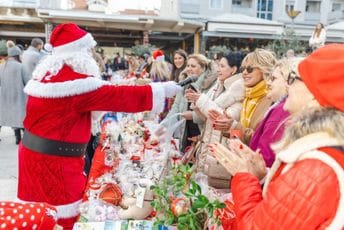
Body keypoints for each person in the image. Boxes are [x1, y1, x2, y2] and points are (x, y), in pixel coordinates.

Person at [17, 23, 180, 229]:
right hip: (56, 163)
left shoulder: (47, 75)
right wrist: (162, 90)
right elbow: (118, 96)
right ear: (77, 52)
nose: (90, 55)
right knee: (61, 212)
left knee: (38, 211)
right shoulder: (76, 84)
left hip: (32, 155)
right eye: (87, 50)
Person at [210, 44, 344, 229]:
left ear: (316, 94)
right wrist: (263, 178)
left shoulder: (317, 165)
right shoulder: (321, 153)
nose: (288, 86)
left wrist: (244, 177)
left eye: (293, 79)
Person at [185, 52, 245, 189]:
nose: (218, 69)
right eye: (218, 65)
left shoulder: (239, 91)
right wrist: (196, 104)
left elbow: (222, 118)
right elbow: (206, 119)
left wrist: (200, 100)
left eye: (222, 66)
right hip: (208, 148)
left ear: (234, 70)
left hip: (221, 153)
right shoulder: (217, 86)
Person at [165, 54, 217, 152]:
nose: (189, 69)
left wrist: (193, 115)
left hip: (202, 133)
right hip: (185, 131)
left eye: (193, 66)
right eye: (188, 66)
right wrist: (164, 127)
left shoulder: (211, 85)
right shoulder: (185, 82)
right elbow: (176, 106)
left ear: (203, 68)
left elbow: (212, 112)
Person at [248, 59, 291, 167]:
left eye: (274, 78)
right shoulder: (280, 106)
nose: (268, 82)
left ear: (288, 82)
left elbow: (266, 159)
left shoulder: (281, 111)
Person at [0, 44, 30, 144]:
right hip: (19, 96)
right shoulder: (21, 66)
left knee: (10, 116)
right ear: (17, 55)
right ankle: (20, 139)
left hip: (5, 96)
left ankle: (17, 137)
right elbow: (28, 81)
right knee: (20, 117)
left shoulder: (1, 66)